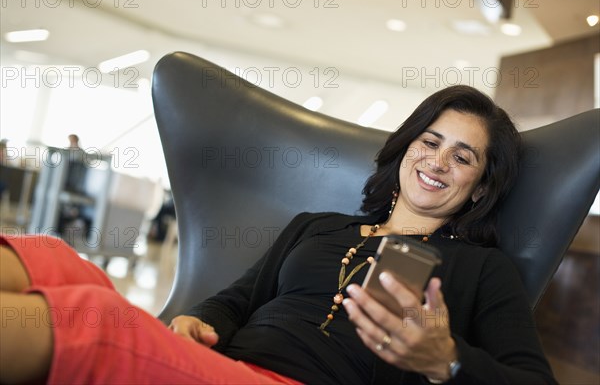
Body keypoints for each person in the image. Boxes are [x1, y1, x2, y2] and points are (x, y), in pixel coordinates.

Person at [0, 85, 557, 384]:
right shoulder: (316, 227)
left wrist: (445, 359)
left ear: (480, 188)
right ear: (408, 144)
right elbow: (237, 300)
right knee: (52, 255)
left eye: (462, 157)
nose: (437, 161)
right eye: (429, 141)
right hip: (225, 365)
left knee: (94, 323)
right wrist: (202, 320)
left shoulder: (482, 270)